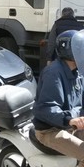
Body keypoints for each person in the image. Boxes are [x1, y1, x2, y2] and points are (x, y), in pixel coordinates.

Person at [33, 30, 84, 166]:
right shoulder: (53, 73)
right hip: (50, 130)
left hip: (72, 126)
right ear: (68, 50)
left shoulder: (78, 72)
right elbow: (46, 108)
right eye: (80, 47)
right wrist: (70, 119)